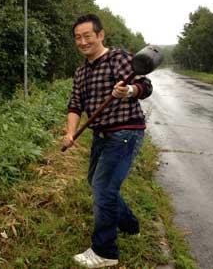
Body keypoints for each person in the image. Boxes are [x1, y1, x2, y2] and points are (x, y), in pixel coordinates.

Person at [62, 14, 153, 268]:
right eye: (78, 37)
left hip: (125, 133)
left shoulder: (118, 59)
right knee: (97, 182)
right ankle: (131, 226)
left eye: (87, 36)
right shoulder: (82, 71)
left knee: (103, 188)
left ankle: (105, 251)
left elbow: (145, 85)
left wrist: (129, 91)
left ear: (100, 35)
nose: (82, 41)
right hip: (101, 135)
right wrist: (70, 133)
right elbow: (75, 105)